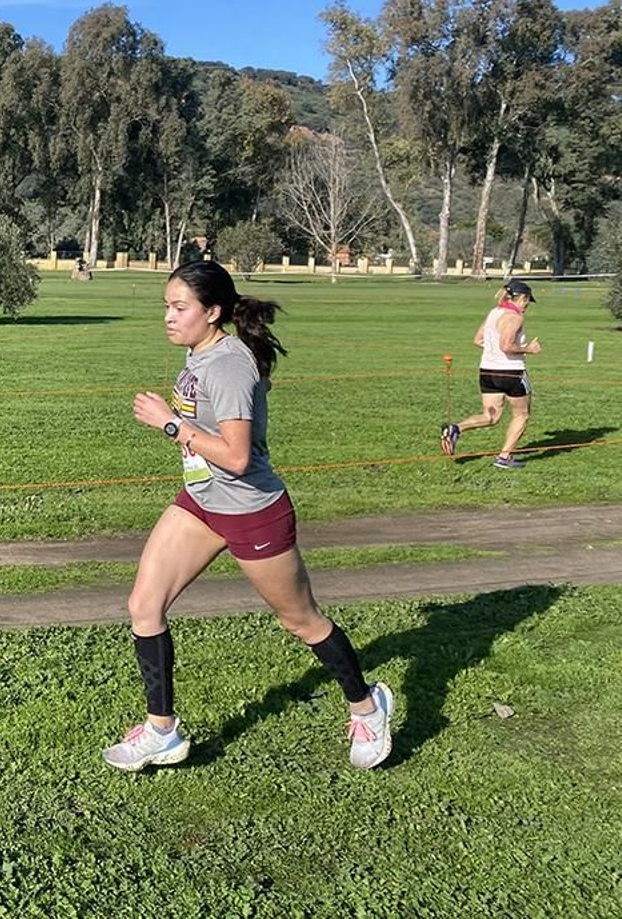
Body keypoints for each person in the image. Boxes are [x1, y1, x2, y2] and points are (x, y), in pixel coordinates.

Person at [103, 261, 394, 771]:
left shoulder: (227, 365)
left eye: (179, 308)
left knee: (300, 620)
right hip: (202, 502)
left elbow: (237, 458)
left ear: (212, 312)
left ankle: (367, 707)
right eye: (165, 307)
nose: (168, 317)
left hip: (251, 510)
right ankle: (161, 731)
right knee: (144, 605)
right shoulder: (204, 353)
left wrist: (170, 425)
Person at [440, 279, 541, 469]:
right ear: (522, 298)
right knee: (522, 415)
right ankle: (504, 458)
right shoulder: (514, 317)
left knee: (491, 417)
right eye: (527, 301)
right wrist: (529, 349)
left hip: (487, 371)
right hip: (512, 374)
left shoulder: (494, 313)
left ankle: (455, 429)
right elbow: (506, 346)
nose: (527, 305)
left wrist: (494, 352)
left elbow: (478, 340)